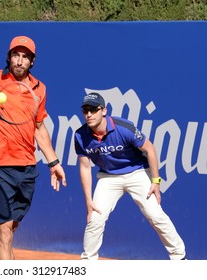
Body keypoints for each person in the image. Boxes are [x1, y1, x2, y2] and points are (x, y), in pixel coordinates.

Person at [0, 35, 67, 260]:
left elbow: (39, 127)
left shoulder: (40, 89)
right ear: (8, 57)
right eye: (15, 55)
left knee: (9, 227)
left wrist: (53, 162)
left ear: (32, 61)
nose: (19, 61)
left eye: (25, 57)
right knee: (4, 231)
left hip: (26, 167)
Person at [74, 92, 186, 260]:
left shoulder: (123, 127)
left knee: (155, 214)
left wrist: (156, 181)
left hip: (137, 172)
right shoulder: (80, 135)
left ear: (103, 111)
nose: (89, 114)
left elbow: (150, 149)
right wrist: (88, 200)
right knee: (95, 220)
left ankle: (180, 258)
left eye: (93, 110)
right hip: (108, 177)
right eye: (85, 110)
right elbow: (84, 167)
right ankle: (87, 265)